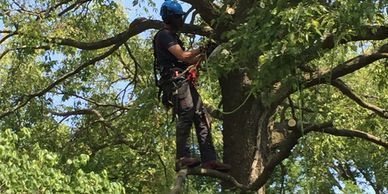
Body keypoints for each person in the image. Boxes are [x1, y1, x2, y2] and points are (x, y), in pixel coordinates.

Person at [153, 0, 230, 172]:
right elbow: (184, 57)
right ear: (170, 18)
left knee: (201, 114)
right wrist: (201, 48)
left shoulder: (174, 37)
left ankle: (209, 160)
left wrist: (206, 52)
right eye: (179, 17)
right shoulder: (164, 35)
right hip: (175, 82)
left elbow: (192, 60)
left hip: (184, 80)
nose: (182, 20)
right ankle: (181, 158)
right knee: (187, 112)